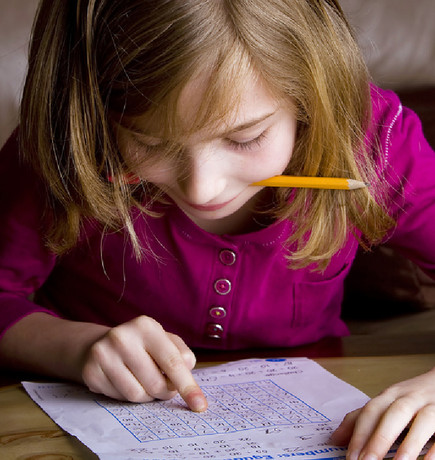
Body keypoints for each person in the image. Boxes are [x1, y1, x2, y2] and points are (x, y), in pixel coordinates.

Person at [0, 0, 434, 458]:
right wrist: (77, 348)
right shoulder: (66, 143)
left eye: (245, 138)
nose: (203, 188)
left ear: (308, 96)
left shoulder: (373, 142)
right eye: (151, 143)